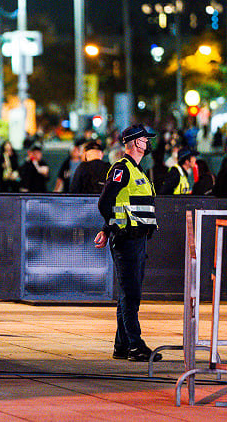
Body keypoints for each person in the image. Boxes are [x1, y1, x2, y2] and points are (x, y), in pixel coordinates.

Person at [93, 124, 162, 363]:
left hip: (136, 238)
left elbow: (122, 203)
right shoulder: (122, 169)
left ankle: (122, 346)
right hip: (127, 239)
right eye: (145, 139)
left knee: (128, 293)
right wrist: (112, 226)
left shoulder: (137, 170)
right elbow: (105, 202)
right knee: (130, 294)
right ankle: (135, 345)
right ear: (135, 143)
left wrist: (106, 227)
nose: (148, 142)